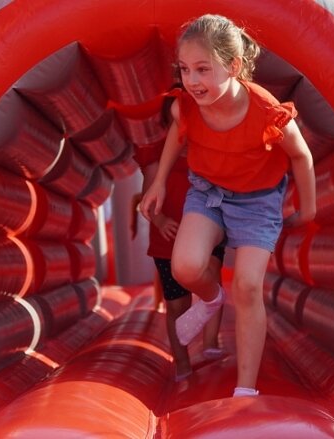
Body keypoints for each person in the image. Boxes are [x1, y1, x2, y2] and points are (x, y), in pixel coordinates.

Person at [140, 14, 316, 398]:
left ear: (233, 66)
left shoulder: (265, 111)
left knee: (249, 286)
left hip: (257, 201)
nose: (192, 80)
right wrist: (156, 183)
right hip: (207, 193)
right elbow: (177, 133)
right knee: (185, 267)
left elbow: (301, 157)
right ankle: (209, 298)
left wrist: (309, 208)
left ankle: (246, 389)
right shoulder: (186, 105)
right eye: (185, 70)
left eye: (203, 69)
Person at [131, 91, 226, 382]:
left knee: (210, 277)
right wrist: (159, 220)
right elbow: (146, 200)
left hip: (207, 231)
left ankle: (210, 344)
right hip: (168, 239)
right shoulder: (157, 155)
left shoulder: (210, 150)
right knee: (177, 304)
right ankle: (182, 361)